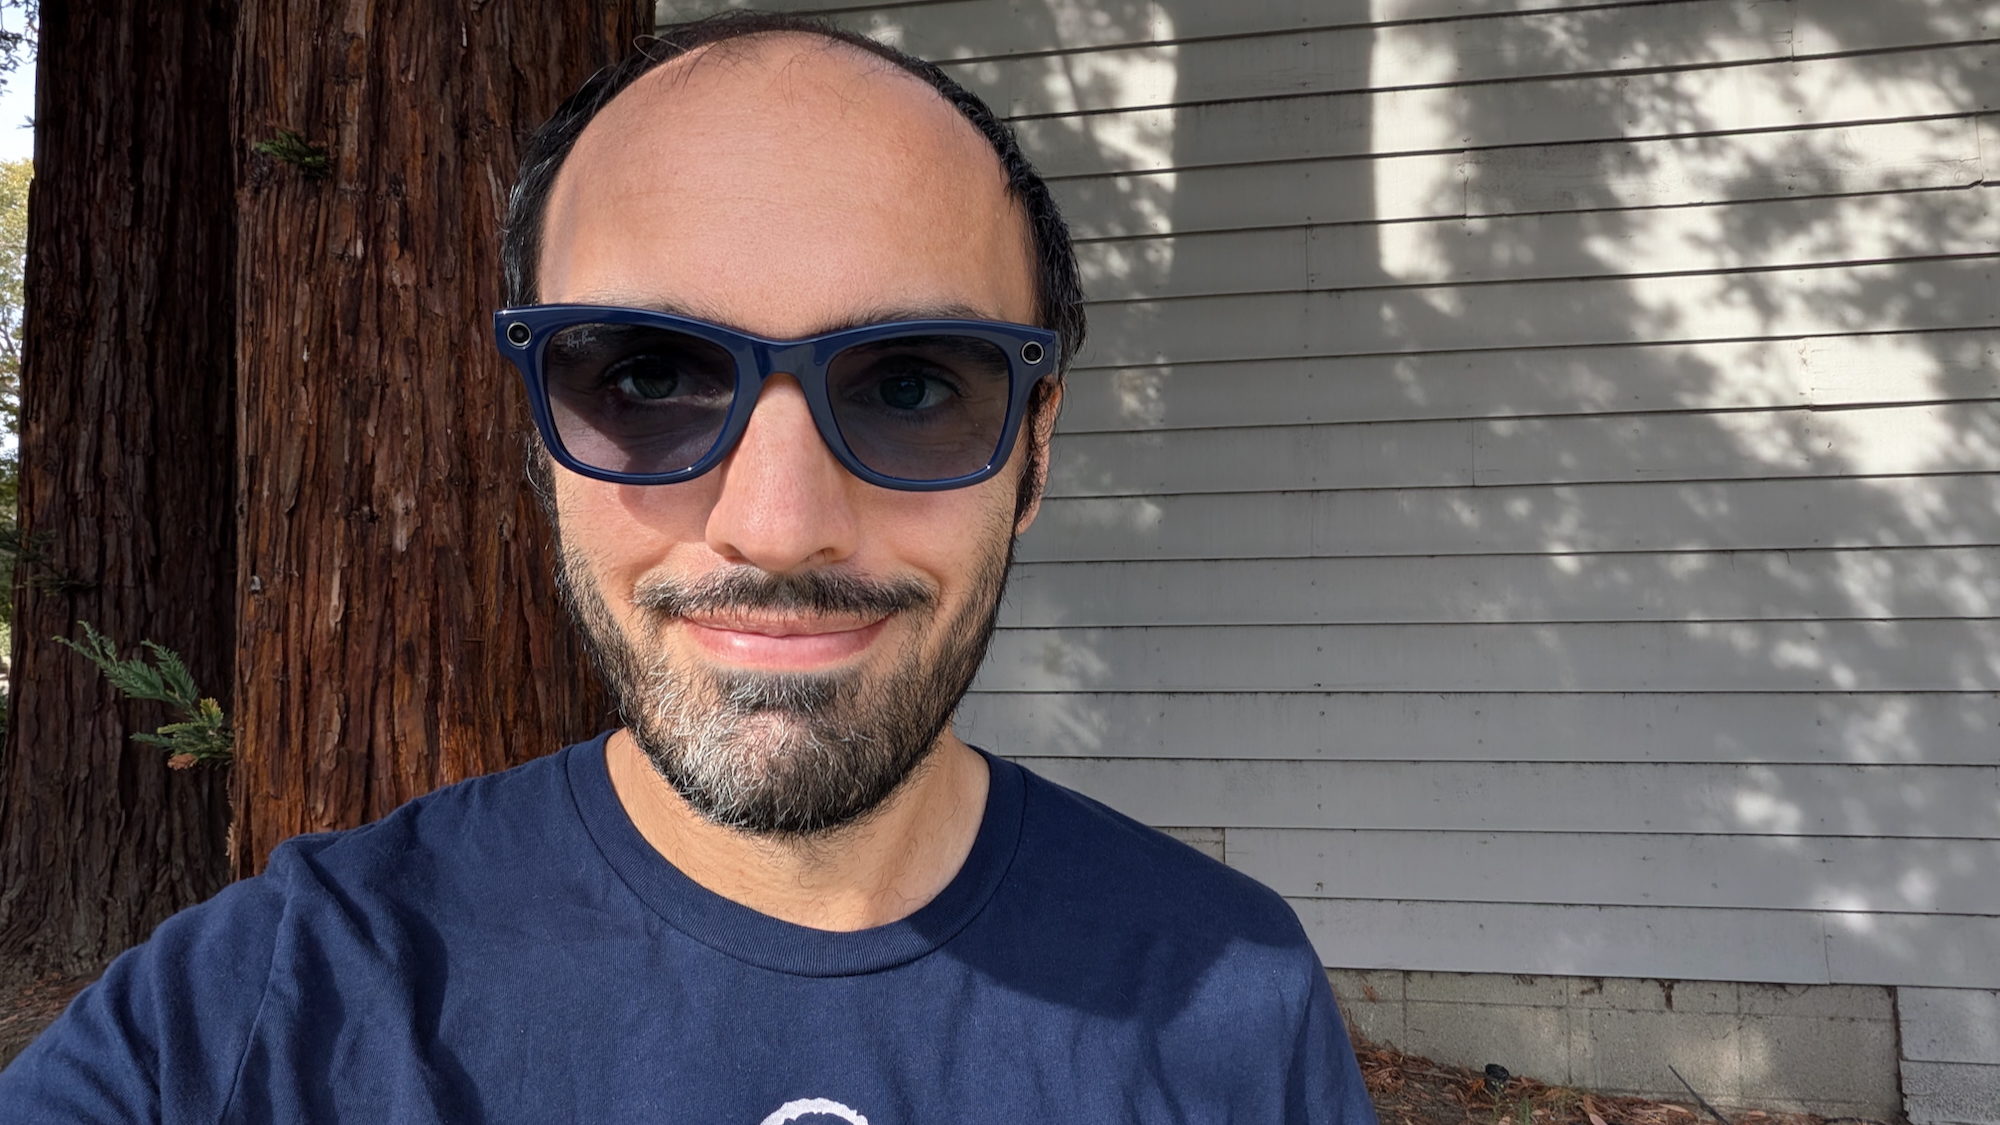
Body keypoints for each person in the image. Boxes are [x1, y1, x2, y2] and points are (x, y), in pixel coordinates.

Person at [0, 13, 1379, 1123]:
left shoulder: (1231, 1000)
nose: (779, 526)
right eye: (649, 377)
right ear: (542, 436)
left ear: (1036, 449)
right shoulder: (263, 1010)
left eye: (910, 385)